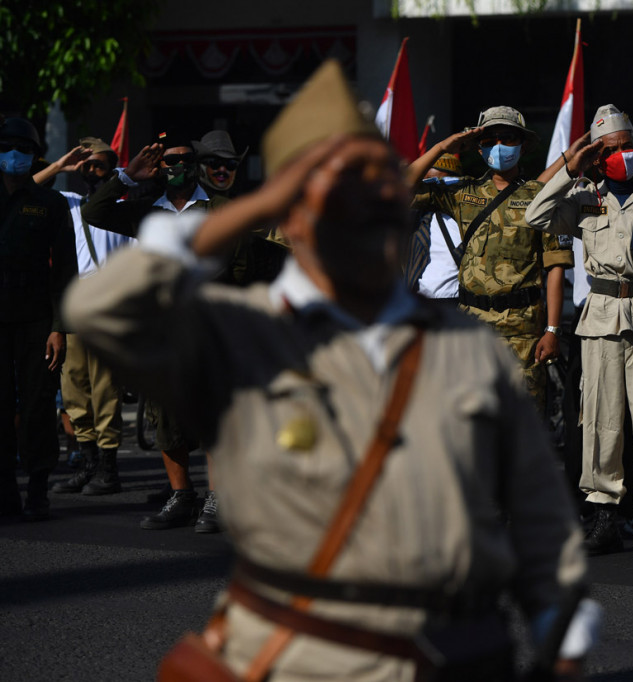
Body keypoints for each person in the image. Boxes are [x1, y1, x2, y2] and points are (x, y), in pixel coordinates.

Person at [66, 58, 598, 681]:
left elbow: (538, 512)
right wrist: (252, 202)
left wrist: (559, 632)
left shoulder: (456, 341)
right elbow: (99, 307)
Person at [525, 104, 633, 560]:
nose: (624, 155)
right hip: (600, 316)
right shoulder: (583, 196)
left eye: (628, 146)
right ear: (598, 157)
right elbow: (534, 215)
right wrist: (568, 166)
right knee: (600, 418)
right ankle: (604, 514)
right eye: (612, 149)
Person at [82, 134, 228, 531]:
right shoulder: (145, 212)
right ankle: (182, 496)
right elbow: (94, 212)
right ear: (159, 168)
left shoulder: (218, 208)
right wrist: (127, 177)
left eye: (183, 159)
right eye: (169, 161)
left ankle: (217, 499)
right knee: (167, 418)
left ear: (194, 165)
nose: (176, 166)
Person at [407, 107, 573, 414]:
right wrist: (442, 148)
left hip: (523, 329)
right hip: (473, 327)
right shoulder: (462, 192)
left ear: (522, 145)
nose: (499, 146)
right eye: (490, 140)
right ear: (479, 148)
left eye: (508, 138)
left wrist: (552, 331)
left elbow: (555, 266)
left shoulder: (540, 195)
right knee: (474, 422)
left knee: (524, 423)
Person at [34, 137, 135, 497]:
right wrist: (61, 167)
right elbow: (23, 191)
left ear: (112, 168)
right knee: (74, 388)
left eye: (99, 165)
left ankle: (108, 469)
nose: (92, 171)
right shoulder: (68, 203)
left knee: (106, 390)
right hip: (73, 308)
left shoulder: (125, 206)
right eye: (86, 165)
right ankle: (87, 462)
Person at [0, 117, 78, 520]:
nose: (14, 153)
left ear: (34, 156)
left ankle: (38, 489)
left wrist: (59, 327)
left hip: (36, 320)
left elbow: (66, 270)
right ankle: (6, 490)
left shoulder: (51, 203)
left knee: (36, 404)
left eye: (22, 147)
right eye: (6, 145)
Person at [404, 152, 464, 303]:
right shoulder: (413, 216)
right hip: (418, 302)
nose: (427, 190)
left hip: (456, 301)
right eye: (422, 184)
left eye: (432, 183)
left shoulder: (466, 215)